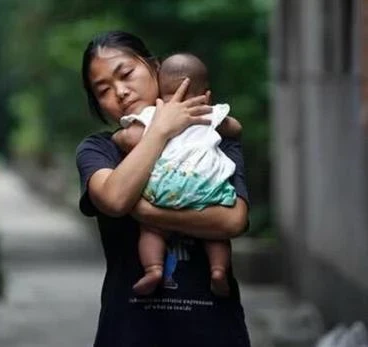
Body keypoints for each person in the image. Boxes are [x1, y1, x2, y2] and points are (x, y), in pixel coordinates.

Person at [77, 31, 250, 346]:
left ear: (155, 67)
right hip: (129, 335)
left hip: (214, 333)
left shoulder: (210, 136)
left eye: (126, 74)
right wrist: (160, 130)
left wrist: (142, 209)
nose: (120, 91)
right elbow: (114, 199)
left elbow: (233, 220)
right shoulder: (99, 149)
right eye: (103, 90)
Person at [111, 52, 241, 297]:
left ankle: (153, 269)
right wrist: (220, 122)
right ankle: (218, 270)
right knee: (216, 236)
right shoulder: (209, 112)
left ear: (160, 93)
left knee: (150, 228)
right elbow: (235, 128)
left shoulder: (156, 115)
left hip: (165, 186)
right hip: (205, 186)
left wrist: (116, 137)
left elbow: (130, 138)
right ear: (207, 95)